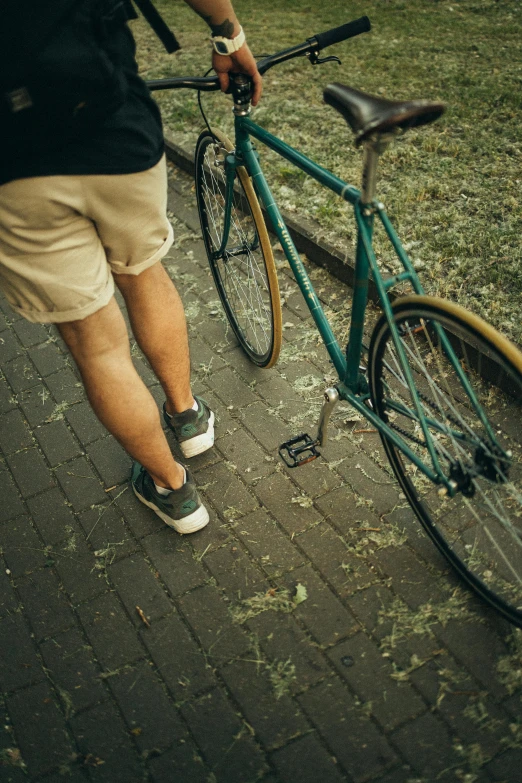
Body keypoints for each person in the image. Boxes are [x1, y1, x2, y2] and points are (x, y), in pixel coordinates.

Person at [0, 0, 262, 534]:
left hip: (15, 165)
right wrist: (227, 35)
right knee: (143, 272)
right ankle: (187, 415)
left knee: (93, 338)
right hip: (112, 121)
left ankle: (174, 489)